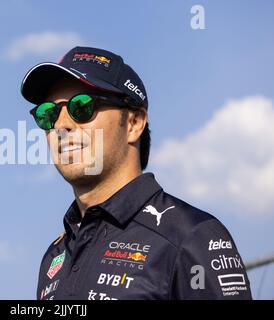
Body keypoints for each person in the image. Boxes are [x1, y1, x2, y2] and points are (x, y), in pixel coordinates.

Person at [20, 46, 252, 300]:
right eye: (48, 114)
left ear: (134, 123)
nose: (61, 125)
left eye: (82, 106)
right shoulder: (55, 257)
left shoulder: (192, 236)